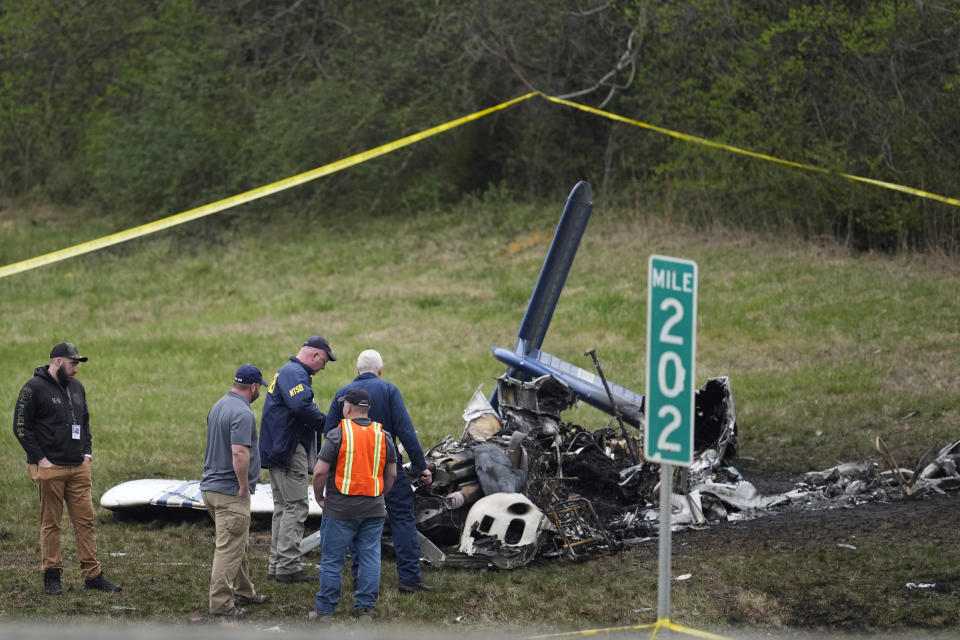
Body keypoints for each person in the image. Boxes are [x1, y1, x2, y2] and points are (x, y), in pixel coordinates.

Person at [12, 342, 122, 595]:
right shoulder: (33, 389)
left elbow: (84, 421)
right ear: (58, 361)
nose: (77, 369)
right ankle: (52, 576)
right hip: (50, 468)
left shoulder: (77, 388)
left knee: (85, 522)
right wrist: (40, 459)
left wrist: (87, 453)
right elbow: (20, 427)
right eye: (73, 363)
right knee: (51, 524)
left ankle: (93, 575)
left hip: (78, 467)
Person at [325, 348, 435, 593]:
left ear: (357, 371)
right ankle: (409, 578)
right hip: (386, 468)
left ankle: (358, 579)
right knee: (403, 518)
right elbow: (405, 431)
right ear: (380, 370)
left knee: (355, 520)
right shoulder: (388, 390)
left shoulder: (343, 394)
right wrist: (420, 467)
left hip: (352, 471)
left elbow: (329, 434)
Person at [313, 387, 397, 621]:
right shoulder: (383, 436)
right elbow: (391, 474)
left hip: (340, 510)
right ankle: (365, 609)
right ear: (367, 409)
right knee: (370, 557)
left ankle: (325, 611)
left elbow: (320, 473)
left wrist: (320, 497)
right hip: (373, 509)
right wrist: (380, 494)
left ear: (347, 407)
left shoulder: (338, 434)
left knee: (332, 560)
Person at [259, 335, 337, 583]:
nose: (324, 367)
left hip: (278, 449)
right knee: (296, 506)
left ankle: (277, 565)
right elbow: (301, 406)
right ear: (314, 355)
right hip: (289, 450)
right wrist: (329, 425)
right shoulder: (295, 373)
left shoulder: (286, 372)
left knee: (283, 506)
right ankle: (288, 567)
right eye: (324, 361)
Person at [200, 365, 272, 617]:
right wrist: (243, 486)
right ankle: (221, 606)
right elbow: (239, 453)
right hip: (230, 493)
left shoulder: (219, 405)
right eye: (259, 388)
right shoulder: (243, 413)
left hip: (210, 489)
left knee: (235, 544)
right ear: (253, 387)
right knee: (228, 550)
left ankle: (244, 592)